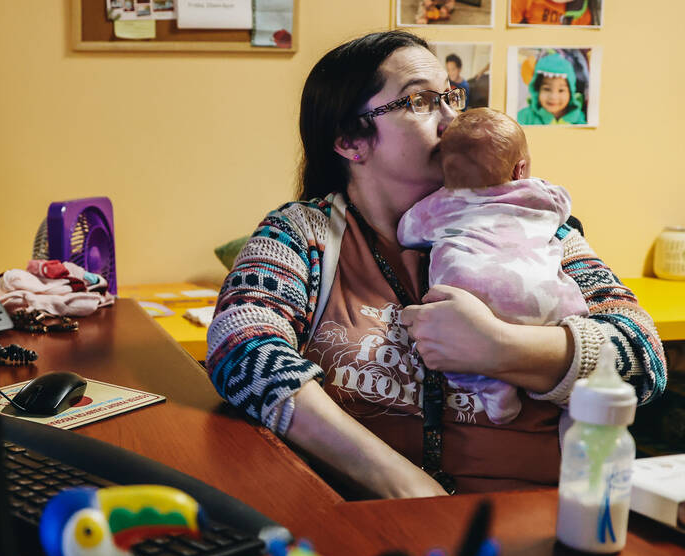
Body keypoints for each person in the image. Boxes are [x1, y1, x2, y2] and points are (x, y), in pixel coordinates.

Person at [205, 31, 664, 498]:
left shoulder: (533, 225)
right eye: (422, 101)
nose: (452, 119)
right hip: (367, 527)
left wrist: (500, 347)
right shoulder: (304, 235)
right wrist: (400, 482)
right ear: (350, 141)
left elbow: (643, 357)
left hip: (537, 527)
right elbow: (239, 346)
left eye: (451, 97)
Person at [396, 108, 588, 426]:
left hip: (473, 296)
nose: (447, 115)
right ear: (520, 169)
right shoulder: (540, 194)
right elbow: (562, 205)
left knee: (454, 349)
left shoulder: (439, 205)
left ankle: (495, 392)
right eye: (421, 101)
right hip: (546, 301)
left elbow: (406, 232)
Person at [517, 52, 587, 125]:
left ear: (571, 92)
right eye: (547, 89)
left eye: (561, 90)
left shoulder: (578, 118)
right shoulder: (524, 117)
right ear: (537, 89)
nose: (553, 97)